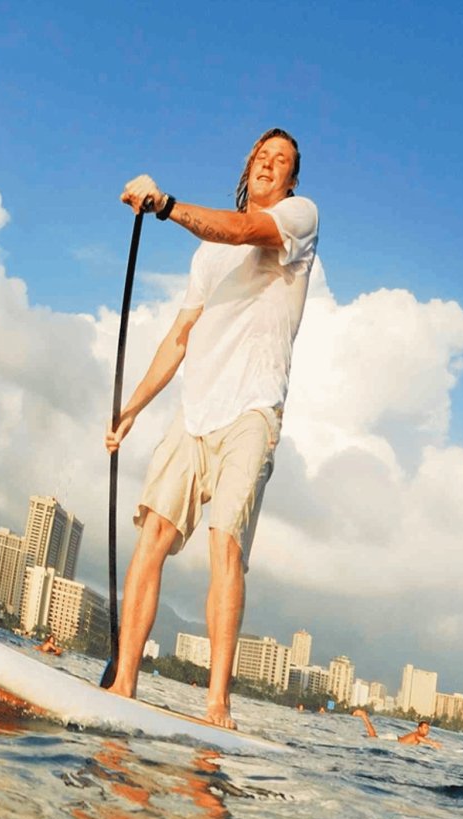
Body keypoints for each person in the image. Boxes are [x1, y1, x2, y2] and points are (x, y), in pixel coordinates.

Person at [104, 129, 319, 729]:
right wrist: (133, 408)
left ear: (291, 180)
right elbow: (180, 338)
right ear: (248, 166)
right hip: (194, 412)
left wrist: (166, 205)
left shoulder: (298, 218)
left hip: (253, 410)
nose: (269, 166)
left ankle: (216, 707)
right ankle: (123, 685)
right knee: (152, 538)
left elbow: (244, 231)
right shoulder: (206, 258)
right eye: (261, 157)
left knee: (225, 542)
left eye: (281, 162)